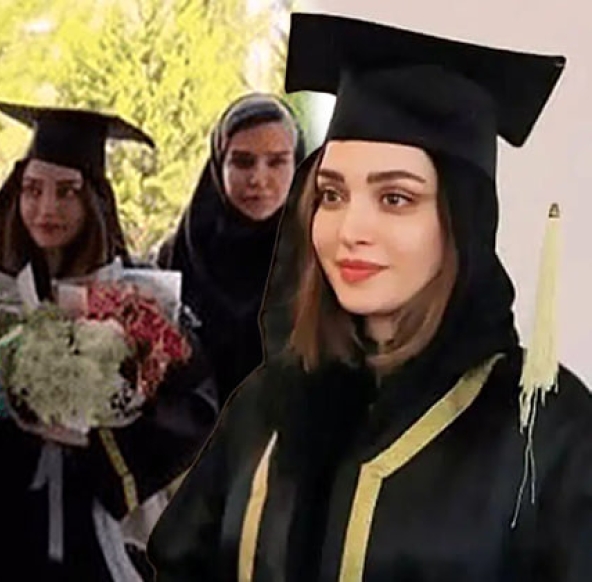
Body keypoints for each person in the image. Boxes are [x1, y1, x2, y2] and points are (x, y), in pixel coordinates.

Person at [148, 12, 591, 581]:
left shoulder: (543, 430)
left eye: (395, 198)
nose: (350, 228)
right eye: (332, 195)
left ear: (462, 220)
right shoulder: (265, 405)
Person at [0, 98, 218, 582]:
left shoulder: (137, 304)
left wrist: (93, 433)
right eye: (32, 190)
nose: (46, 208)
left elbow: (193, 410)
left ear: (93, 199)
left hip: (89, 544)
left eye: (67, 192)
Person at [156, 93, 306, 406]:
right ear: (218, 164)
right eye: (242, 161)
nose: (258, 179)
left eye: (277, 162)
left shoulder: (322, 257)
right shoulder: (179, 256)